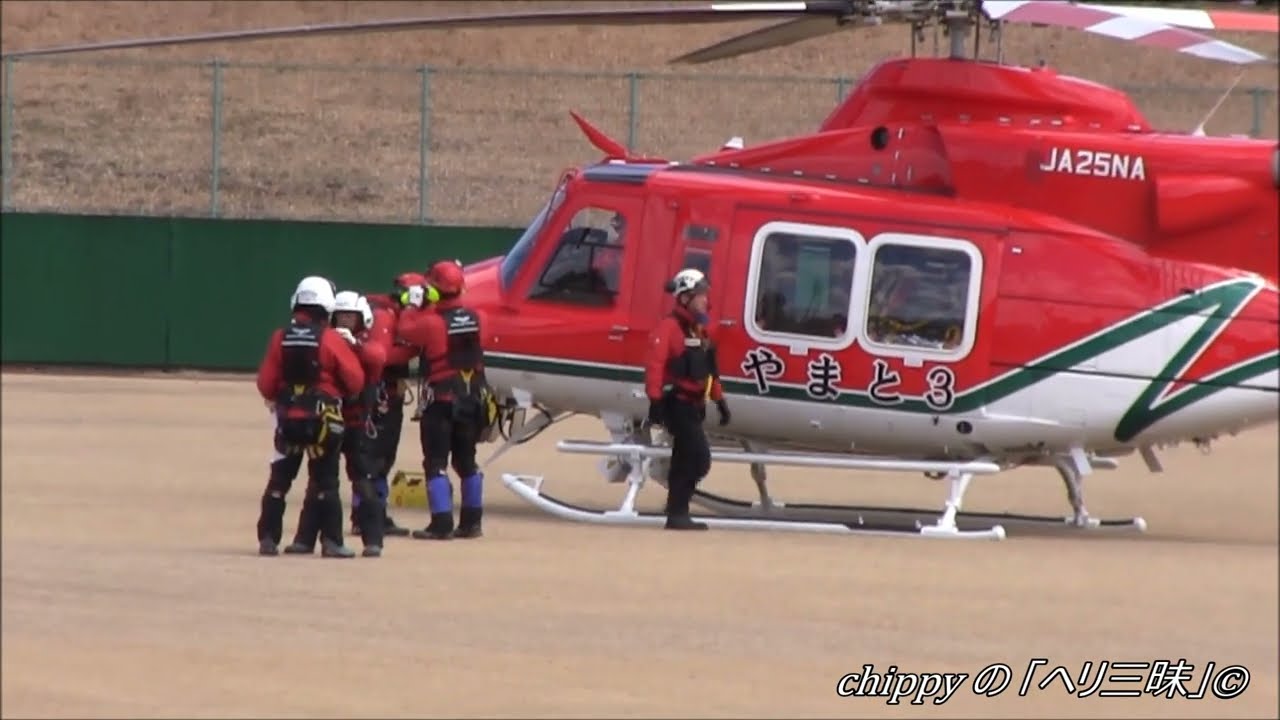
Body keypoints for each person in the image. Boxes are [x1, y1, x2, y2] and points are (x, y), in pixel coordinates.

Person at [255, 275, 365, 558]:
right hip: (323, 423)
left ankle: (268, 539)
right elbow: (354, 380)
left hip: (288, 421)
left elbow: (266, 384)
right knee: (325, 481)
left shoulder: (280, 337)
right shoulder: (330, 339)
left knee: (279, 481)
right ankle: (332, 542)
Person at [284, 291, 388, 558]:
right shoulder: (326, 340)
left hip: (355, 423)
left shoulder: (365, 342)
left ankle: (372, 540)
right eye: (340, 316)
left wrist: (355, 345)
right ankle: (305, 539)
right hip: (327, 421)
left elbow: (378, 358)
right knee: (319, 482)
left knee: (363, 481)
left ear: (361, 318)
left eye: (350, 317)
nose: (344, 321)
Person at [397, 259, 495, 540]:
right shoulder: (480, 318)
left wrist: (413, 303)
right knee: (467, 463)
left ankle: (441, 524)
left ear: (435, 289)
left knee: (436, 462)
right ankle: (472, 522)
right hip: (474, 399)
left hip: (442, 403)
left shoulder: (430, 323)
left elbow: (406, 331)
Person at [643, 268, 732, 531]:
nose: (706, 300)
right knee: (697, 457)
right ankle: (677, 510)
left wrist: (719, 400)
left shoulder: (699, 331)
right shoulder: (669, 328)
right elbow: (655, 365)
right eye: (700, 295)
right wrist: (655, 402)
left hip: (694, 405)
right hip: (677, 404)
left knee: (685, 458)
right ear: (685, 298)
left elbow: (709, 369)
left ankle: (676, 511)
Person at [353, 272, 437, 538]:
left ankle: (372, 514)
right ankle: (366, 516)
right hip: (380, 396)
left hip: (388, 394)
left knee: (382, 457)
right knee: (376, 456)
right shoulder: (384, 317)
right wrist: (413, 350)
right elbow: (381, 355)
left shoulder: (388, 313)